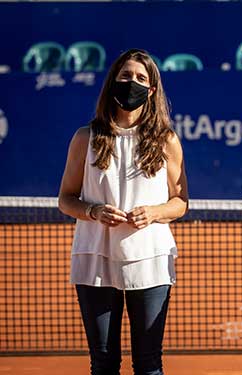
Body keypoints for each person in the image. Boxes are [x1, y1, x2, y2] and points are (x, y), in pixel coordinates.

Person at [58, 49, 188, 375]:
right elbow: (66, 199)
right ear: (113, 81)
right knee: (103, 363)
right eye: (126, 76)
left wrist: (154, 212)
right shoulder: (85, 138)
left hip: (150, 260)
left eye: (141, 79)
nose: (132, 83)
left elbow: (180, 201)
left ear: (152, 89)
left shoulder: (166, 140)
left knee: (148, 363)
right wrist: (94, 210)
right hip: (94, 258)